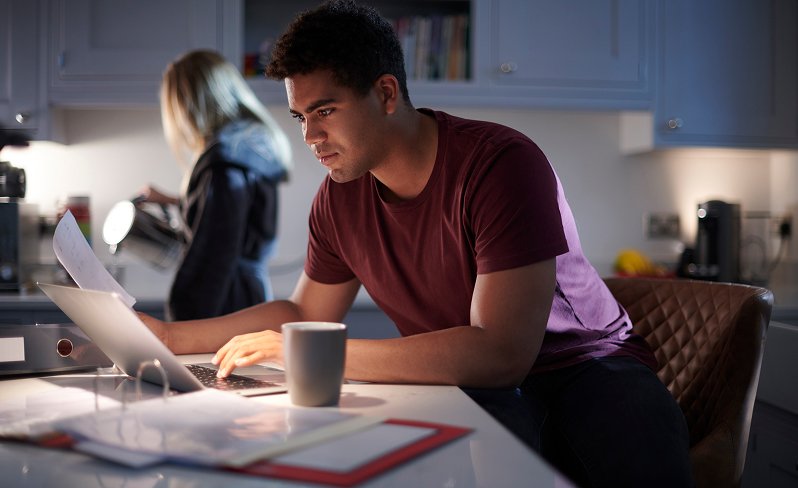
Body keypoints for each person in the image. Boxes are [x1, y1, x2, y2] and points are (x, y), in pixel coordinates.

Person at [141, 2, 693, 486]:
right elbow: (305, 311)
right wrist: (165, 335)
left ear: (385, 94)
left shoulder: (502, 165)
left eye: (325, 111)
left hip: (586, 369)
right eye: (301, 116)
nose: (309, 136)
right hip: (470, 383)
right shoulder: (338, 198)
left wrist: (307, 352)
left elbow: (500, 354)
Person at [138, 49, 293, 321]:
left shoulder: (224, 165)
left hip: (224, 304)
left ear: (188, 105)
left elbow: (211, 259)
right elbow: (229, 219)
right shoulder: (250, 145)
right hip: (248, 297)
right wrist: (177, 201)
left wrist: (180, 328)